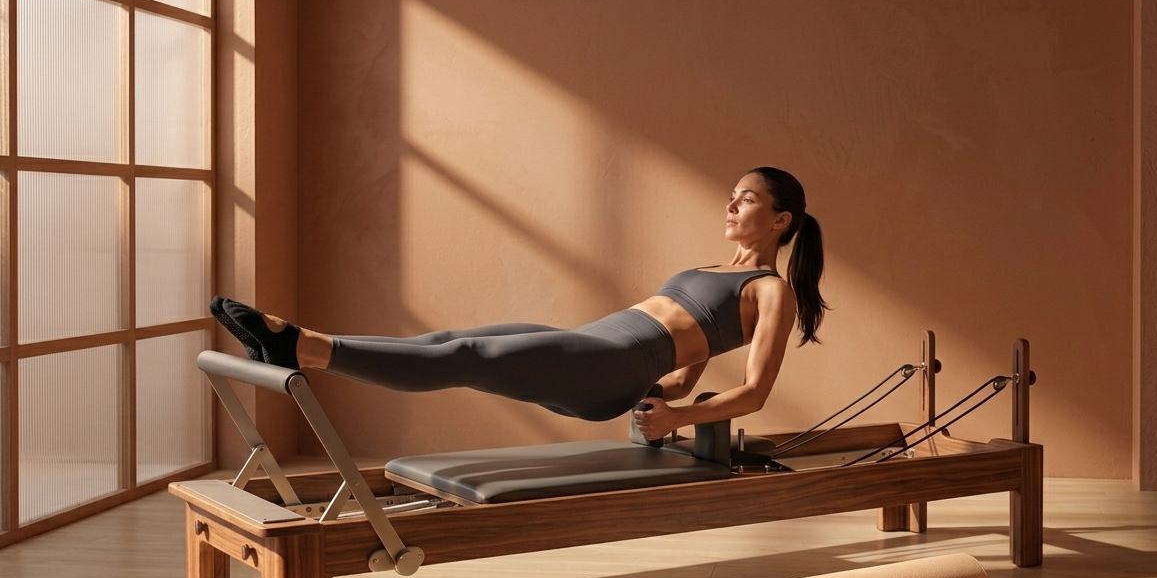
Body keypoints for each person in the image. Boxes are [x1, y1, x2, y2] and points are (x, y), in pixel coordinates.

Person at [212, 167, 827, 442]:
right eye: (731, 195)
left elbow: (754, 393)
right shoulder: (712, 268)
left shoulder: (772, 292)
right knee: (448, 340)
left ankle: (302, 348)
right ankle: (290, 344)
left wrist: (678, 421)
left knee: (469, 355)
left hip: (606, 363)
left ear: (781, 220)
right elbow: (690, 364)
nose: (730, 205)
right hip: (599, 351)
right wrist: (662, 396)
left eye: (746, 200)